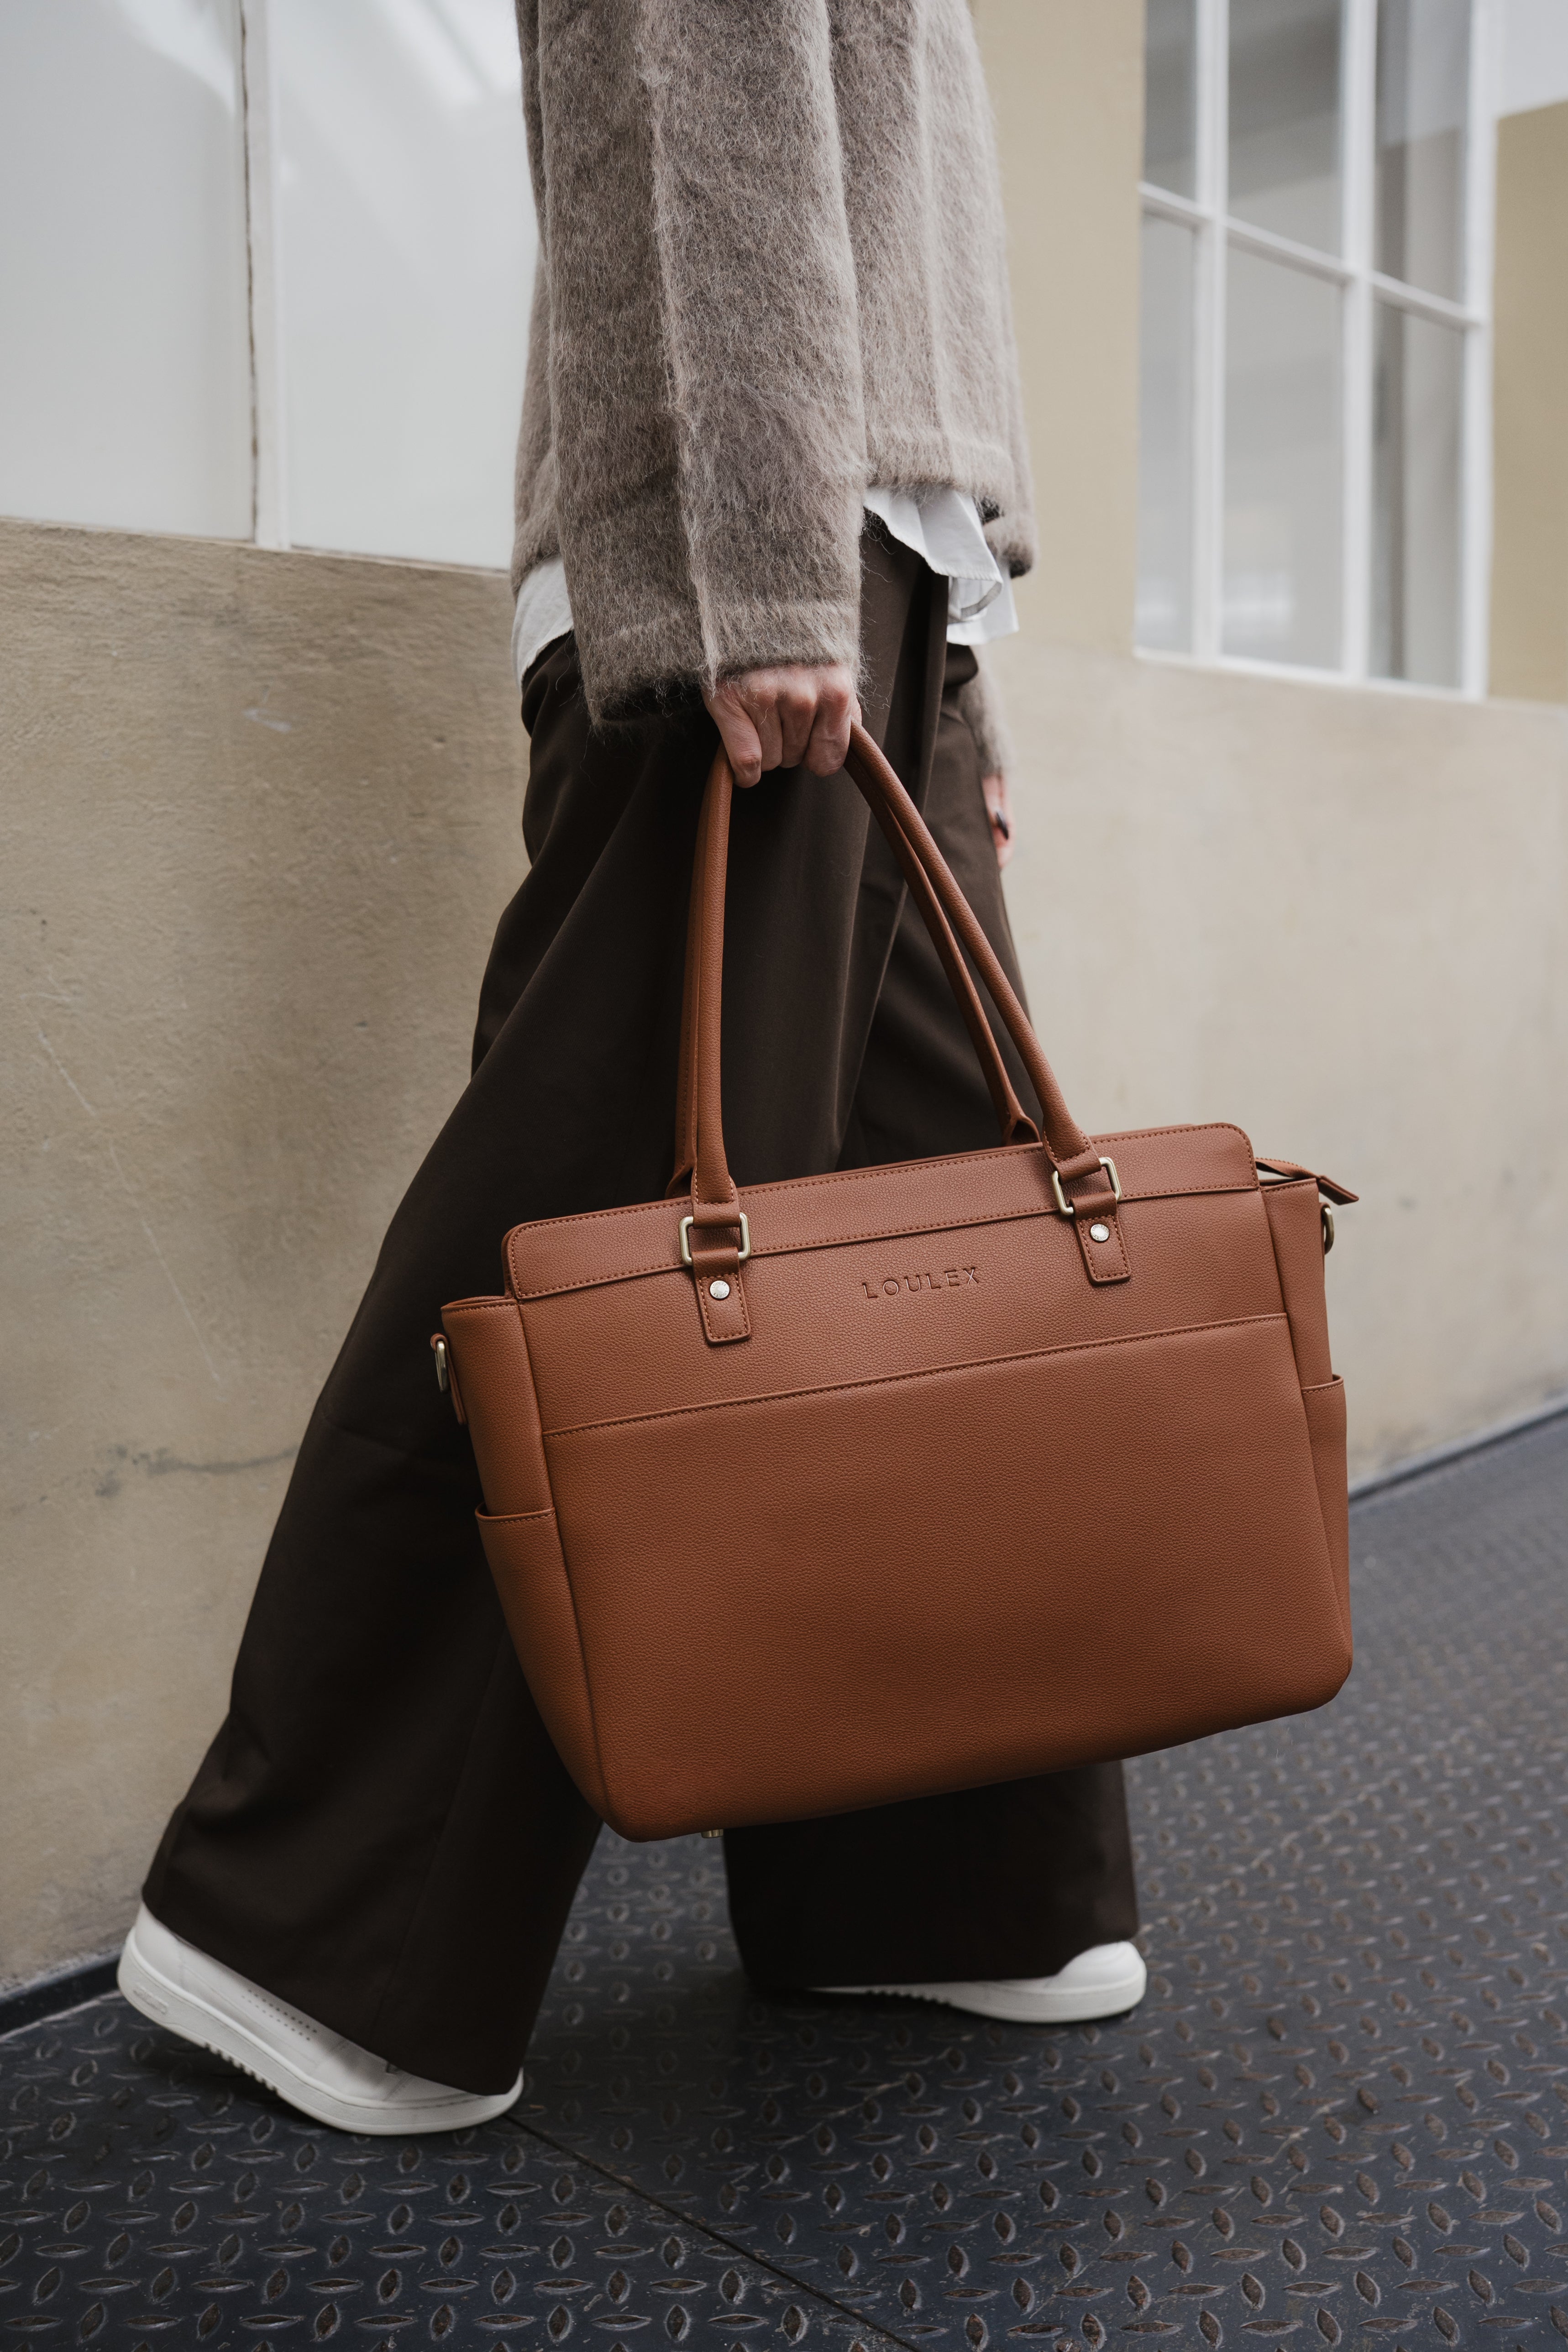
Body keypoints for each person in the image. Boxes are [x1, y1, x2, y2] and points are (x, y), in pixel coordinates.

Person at [116, 0, 1143, 2136]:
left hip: (885, 563)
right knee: (586, 1255)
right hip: (758, 554)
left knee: (939, 1250)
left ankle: (925, 1879)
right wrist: (765, 557)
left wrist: (951, 667)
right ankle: (306, 1927)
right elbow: (701, 80)